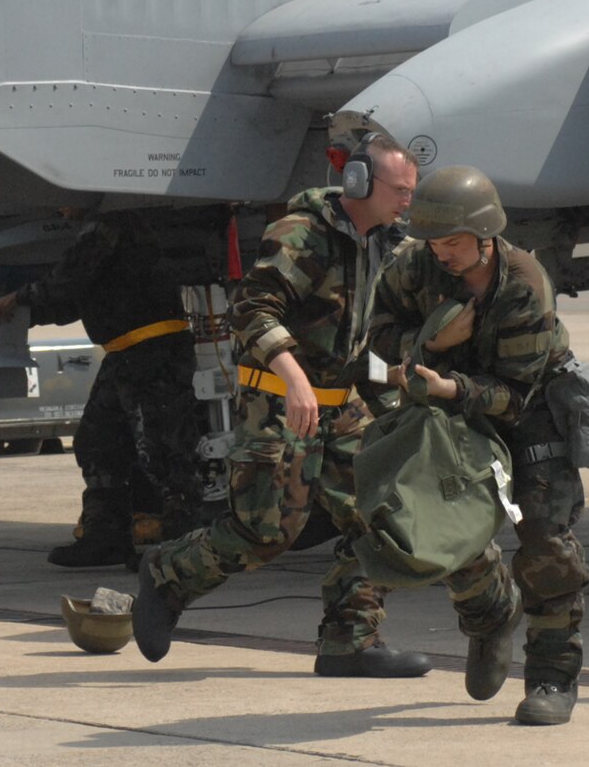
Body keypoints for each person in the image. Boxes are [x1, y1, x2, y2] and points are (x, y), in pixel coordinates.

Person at [134, 134, 432, 677]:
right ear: (360, 181)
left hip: (341, 407)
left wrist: (394, 389)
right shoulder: (304, 234)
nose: (407, 201)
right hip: (278, 403)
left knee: (379, 520)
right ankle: (167, 576)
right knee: (267, 532)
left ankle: (350, 642)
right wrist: (292, 375)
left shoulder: (380, 243)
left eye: (413, 191)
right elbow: (252, 309)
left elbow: (353, 340)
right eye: (400, 190)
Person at [366, 165, 588, 726]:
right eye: (435, 242)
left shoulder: (523, 284)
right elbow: (374, 343)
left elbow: (513, 396)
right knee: (443, 528)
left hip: (528, 410)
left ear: (486, 234)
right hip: (448, 405)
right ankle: (490, 616)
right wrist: (431, 342)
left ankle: (551, 677)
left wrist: (448, 382)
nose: (442, 254)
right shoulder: (413, 265)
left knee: (545, 544)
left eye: (455, 243)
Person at [0, 210, 204, 568]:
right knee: (97, 441)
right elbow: (73, 300)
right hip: (125, 353)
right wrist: (25, 310)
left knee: (165, 450)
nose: (61, 211)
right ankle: (106, 536)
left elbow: (67, 281)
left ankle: (182, 545)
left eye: (66, 204)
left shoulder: (110, 224)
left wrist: (22, 296)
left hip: (154, 352)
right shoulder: (110, 228)